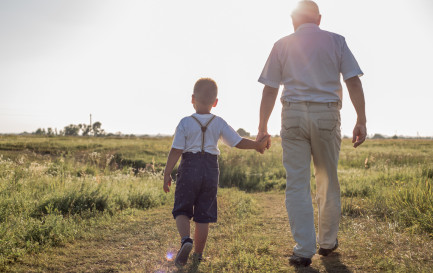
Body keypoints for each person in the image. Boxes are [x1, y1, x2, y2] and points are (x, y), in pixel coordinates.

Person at [256, 0, 367, 267]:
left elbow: (270, 88)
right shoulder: (337, 41)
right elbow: (352, 80)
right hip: (327, 114)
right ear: (319, 19)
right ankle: (327, 243)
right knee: (327, 180)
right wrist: (361, 119)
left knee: (297, 183)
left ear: (293, 20)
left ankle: (304, 249)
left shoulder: (282, 44)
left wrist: (262, 128)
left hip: (293, 114)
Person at [163, 78, 269, 267]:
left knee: (182, 208)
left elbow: (176, 150)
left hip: (189, 167)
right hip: (211, 169)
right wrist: (257, 145)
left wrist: (166, 173)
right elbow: (237, 141)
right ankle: (198, 255)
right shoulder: (218, 122)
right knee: (204, 213)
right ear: (216, 102)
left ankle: (186, 240)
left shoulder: (185, 123)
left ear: (192, 99)